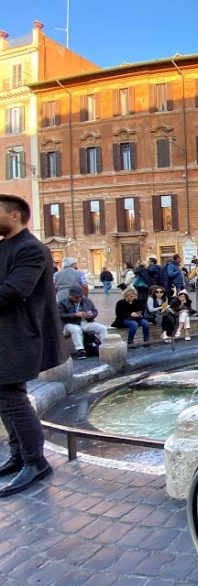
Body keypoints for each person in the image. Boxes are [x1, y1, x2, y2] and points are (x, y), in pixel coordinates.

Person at [0, 195, 66, 497]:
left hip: (21, 336)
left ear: (15, 216)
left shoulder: (31, 248)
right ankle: (19, 456)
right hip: (7, 336)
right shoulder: (5, 247)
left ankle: (36, 461)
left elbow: (13, 291)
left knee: (13, 398)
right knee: (4, 398)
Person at [58, 286, 108, 359]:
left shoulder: (87, 301)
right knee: (75, 329)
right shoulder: (62, 303)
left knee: (102, 328)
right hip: (70, 324)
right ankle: (80, 350)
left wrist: (91, 315)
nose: (79, 299)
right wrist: (75, 315)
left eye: (80, 297)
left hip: (86, 323)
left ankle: (105, 347)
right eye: (76, 297)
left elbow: (95, 311)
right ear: (70, 296)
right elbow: (61, 315)